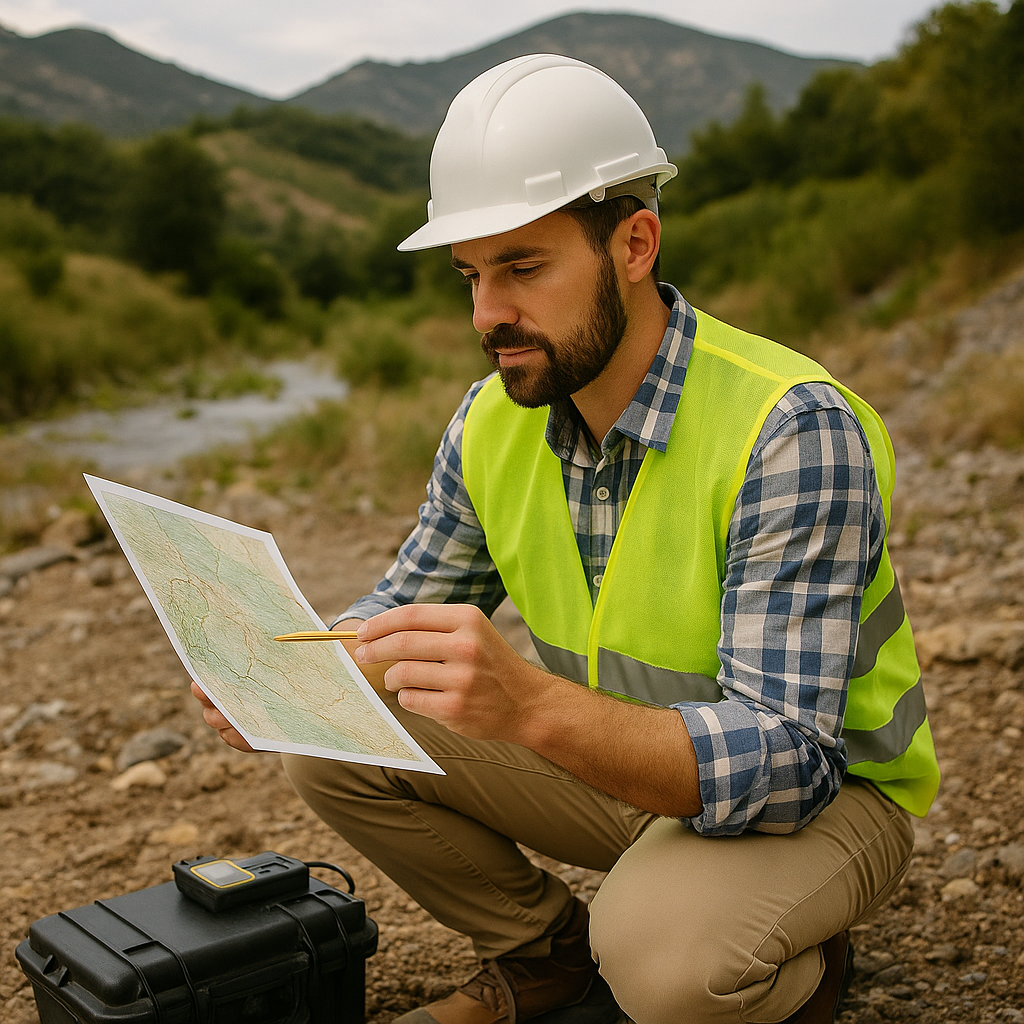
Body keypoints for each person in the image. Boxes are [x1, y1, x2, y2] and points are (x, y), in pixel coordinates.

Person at [192, 54, 939, 1024]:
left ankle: (790, 966)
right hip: (622, 771)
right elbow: (400, 599)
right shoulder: (493, 418)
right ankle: (543, 960)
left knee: (662, 968)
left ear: (633, 244)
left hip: (829, 798)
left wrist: (532, 706)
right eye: (470, 276)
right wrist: (282, 668)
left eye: (522, 269)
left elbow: (790, 762)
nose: (486, 314)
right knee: (334, 735)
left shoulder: (788, 426)